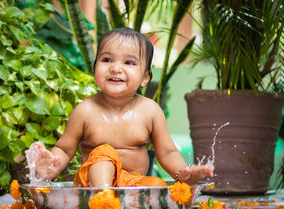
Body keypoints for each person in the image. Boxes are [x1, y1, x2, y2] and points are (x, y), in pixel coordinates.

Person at [30, 28, 214, 187]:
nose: (116, 68)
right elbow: (64, 149)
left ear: (145, 78)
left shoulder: (150, 111)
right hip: (92, 185)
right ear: (95, 68)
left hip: (131, 183)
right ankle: (102, 195)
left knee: (157, 185)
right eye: (107, 60)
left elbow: (167, 153)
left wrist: (182, 174)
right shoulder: (85, 111)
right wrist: (52, 165)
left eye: (129, 62)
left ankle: (121, 201)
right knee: (104, 153)